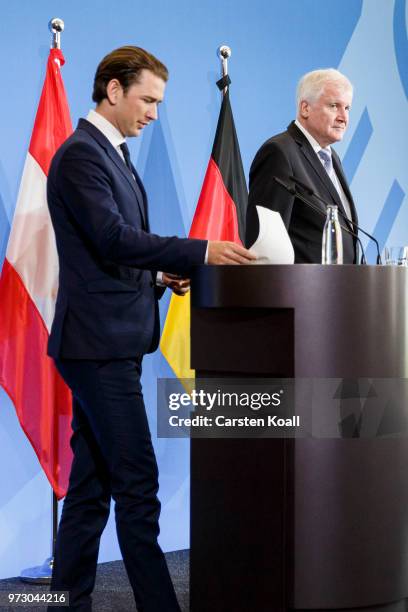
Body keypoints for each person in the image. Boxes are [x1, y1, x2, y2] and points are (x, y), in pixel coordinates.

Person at [47, 45, 255, 612]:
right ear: (113, 90)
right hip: (98, 349)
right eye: (148, 100)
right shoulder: (81, 156)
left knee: (91, 490)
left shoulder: (109, 153)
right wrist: (199, 250)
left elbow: (105, 257)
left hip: (108, 342)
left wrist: (160, 273)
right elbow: (113, 240)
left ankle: (66, 602)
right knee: (137, 486)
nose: (153, 114)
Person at [246, 68, 358, 263]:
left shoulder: (333, 158)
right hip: (300, 290)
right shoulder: (279, 152)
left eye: (347, 108)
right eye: (334, 106)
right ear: (305, 108)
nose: (343, 117)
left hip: (341, 288)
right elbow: (266, 245)